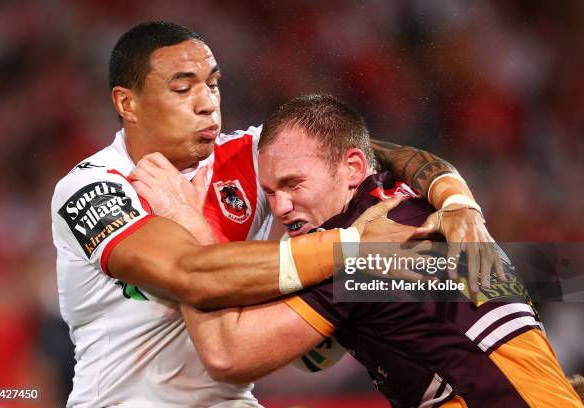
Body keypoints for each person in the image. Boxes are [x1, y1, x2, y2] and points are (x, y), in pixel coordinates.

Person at [51, 21, 499, 407]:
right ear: (126, 103)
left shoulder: (249, 155)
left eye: (213, 83)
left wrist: (458, 201)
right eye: (183, 88)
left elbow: (365, 152)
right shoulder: (92, 188)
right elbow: (189, 273)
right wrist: (354, 249)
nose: (207, 103)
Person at [136, 94, 581, 407]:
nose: (279, 207)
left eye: (293, 185)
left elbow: (227, 355)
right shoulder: (410, 203)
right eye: (269, 192)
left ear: (351, 168)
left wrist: (184, 221)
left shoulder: (370, 249)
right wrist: (458, 196)